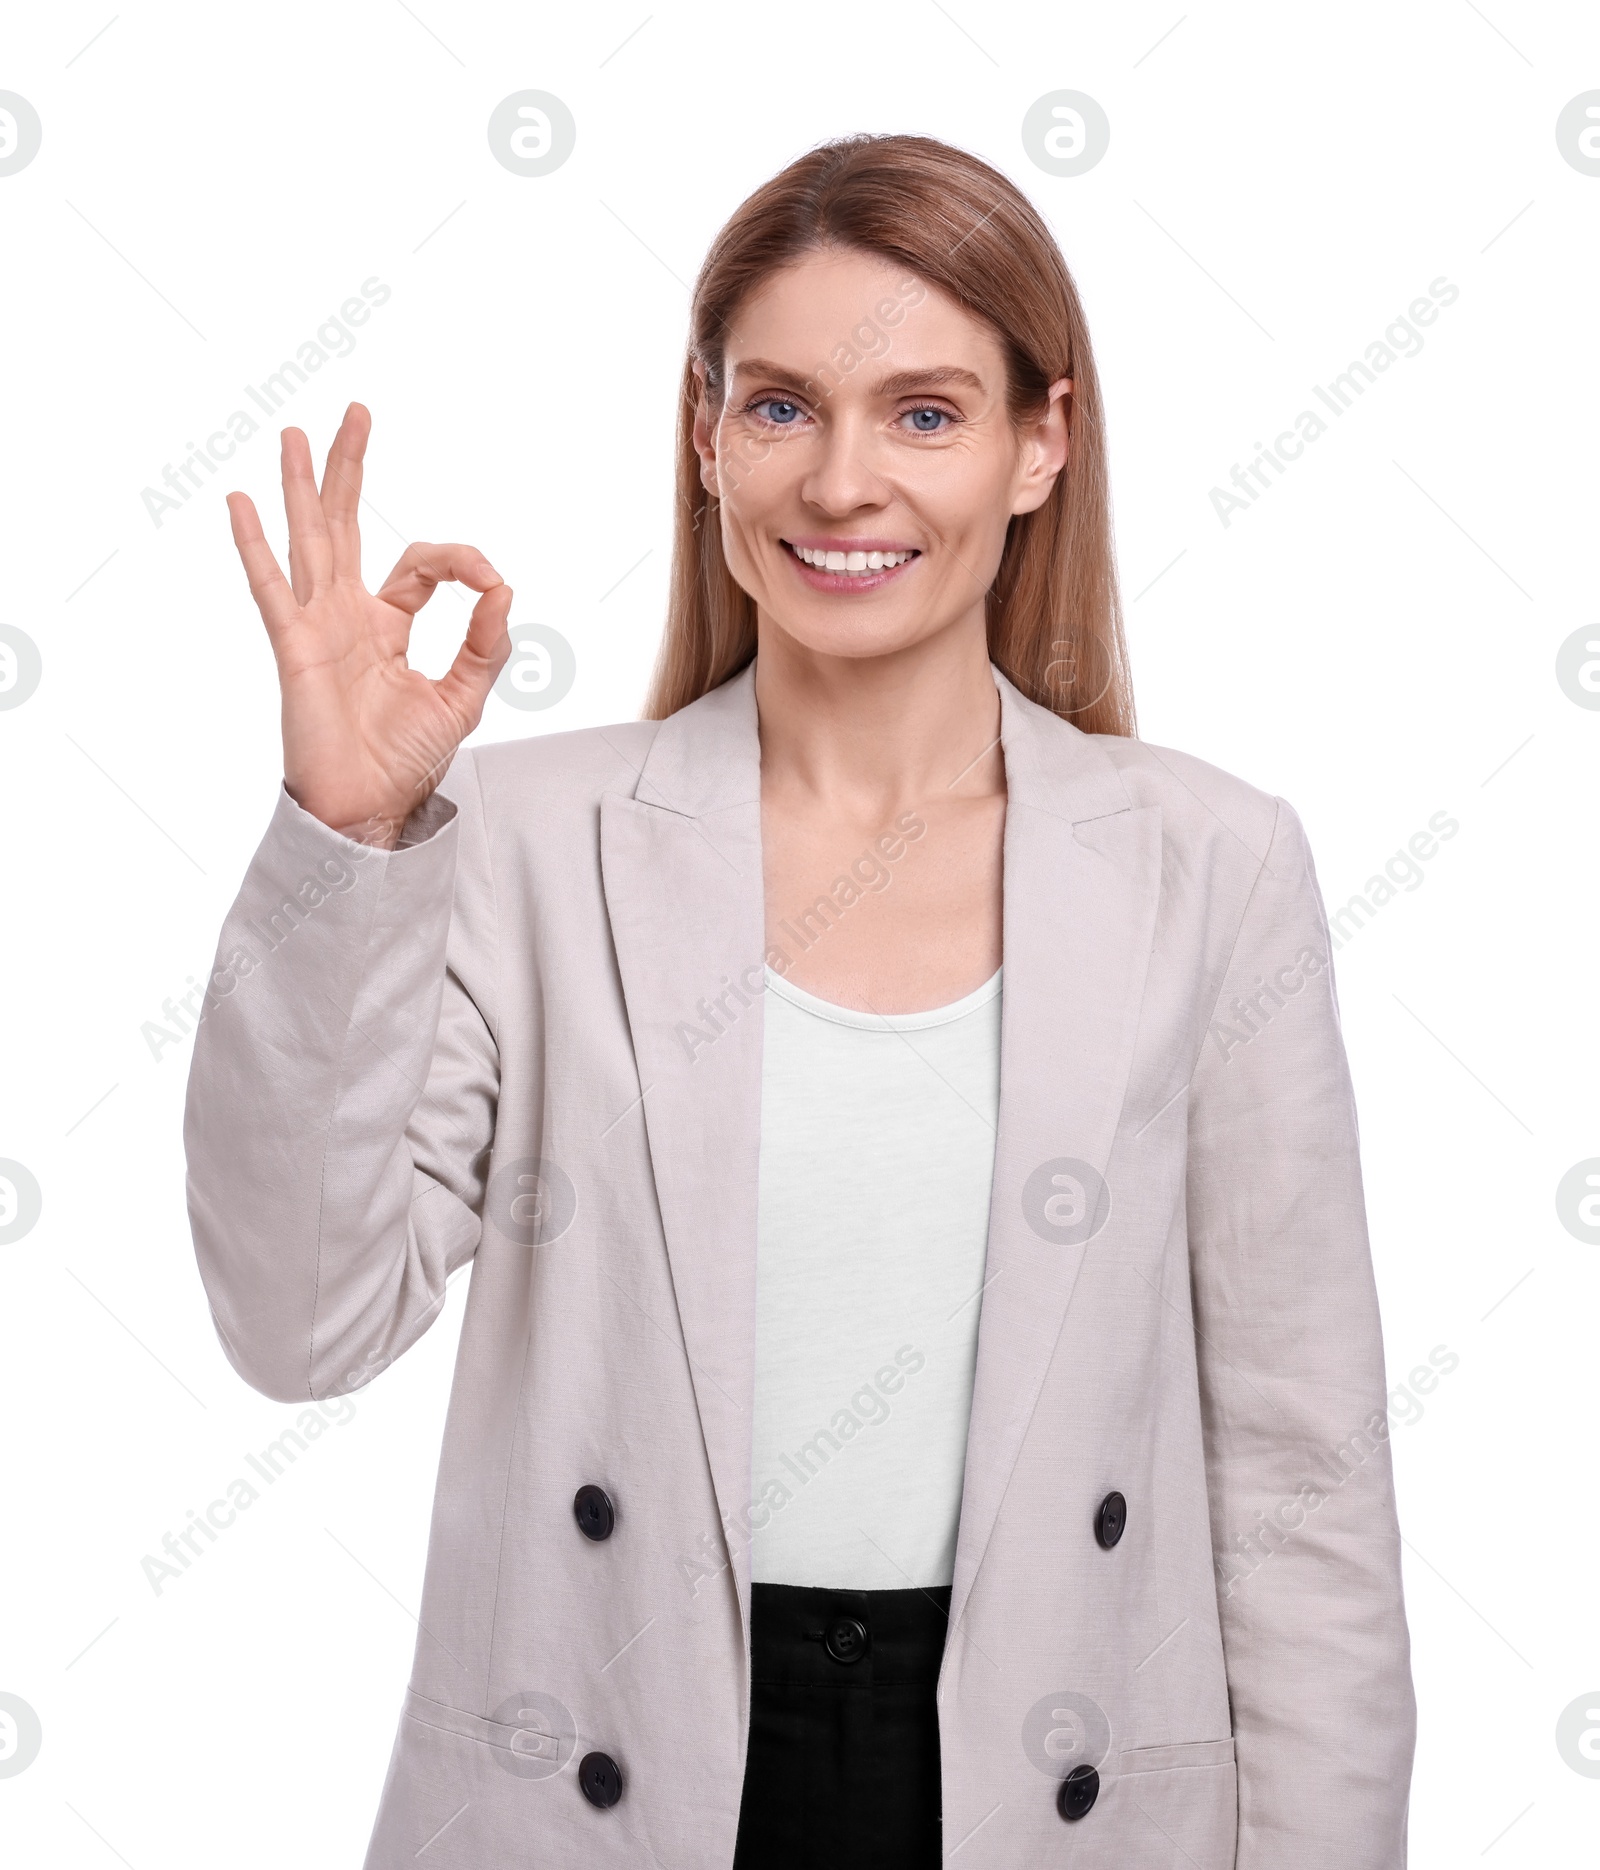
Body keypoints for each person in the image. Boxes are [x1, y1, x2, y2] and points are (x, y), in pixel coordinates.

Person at [184, 133, 1416, 1868]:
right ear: (707, 440)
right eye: (779, 408)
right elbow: (299, 1321)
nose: (844, 481)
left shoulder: (1212, 867)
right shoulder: (533, 840)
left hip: (1050, 1791)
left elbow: (1306, 1495)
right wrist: (342, 841)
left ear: (1041, 440)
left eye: (925, 412)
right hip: (609, 1774)